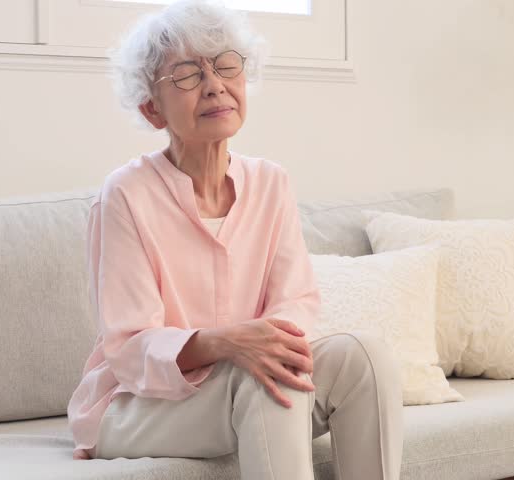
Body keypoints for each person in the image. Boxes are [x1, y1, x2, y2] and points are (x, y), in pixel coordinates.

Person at [66, 1, 404, 478]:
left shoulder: (271, 182)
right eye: (187, 74)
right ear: (152, 108)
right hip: (139, 405)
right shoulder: (125, 194)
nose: (214, 85)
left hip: (242, 388)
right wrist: (231, 344)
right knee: (263, 373)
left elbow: (296, 299)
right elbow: (129, 347)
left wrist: (260, 343)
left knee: (362, 357)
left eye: (225, 65)